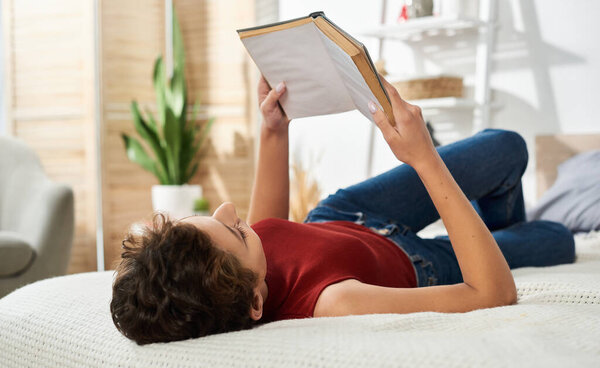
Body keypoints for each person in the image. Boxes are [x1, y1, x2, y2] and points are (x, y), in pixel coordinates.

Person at [110, 76, 575, 345]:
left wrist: (274, 129)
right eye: (234, 231)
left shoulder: (238, 268)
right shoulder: (335, 303)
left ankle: (488, 231)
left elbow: (269, 224)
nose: (231, 209)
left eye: (212, 216)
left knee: (506, 148)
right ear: (255, 301)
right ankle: (488, 235)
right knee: (558, 238)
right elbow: (490, 293)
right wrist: (423, 156)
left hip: (346, 214)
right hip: (414, 263)